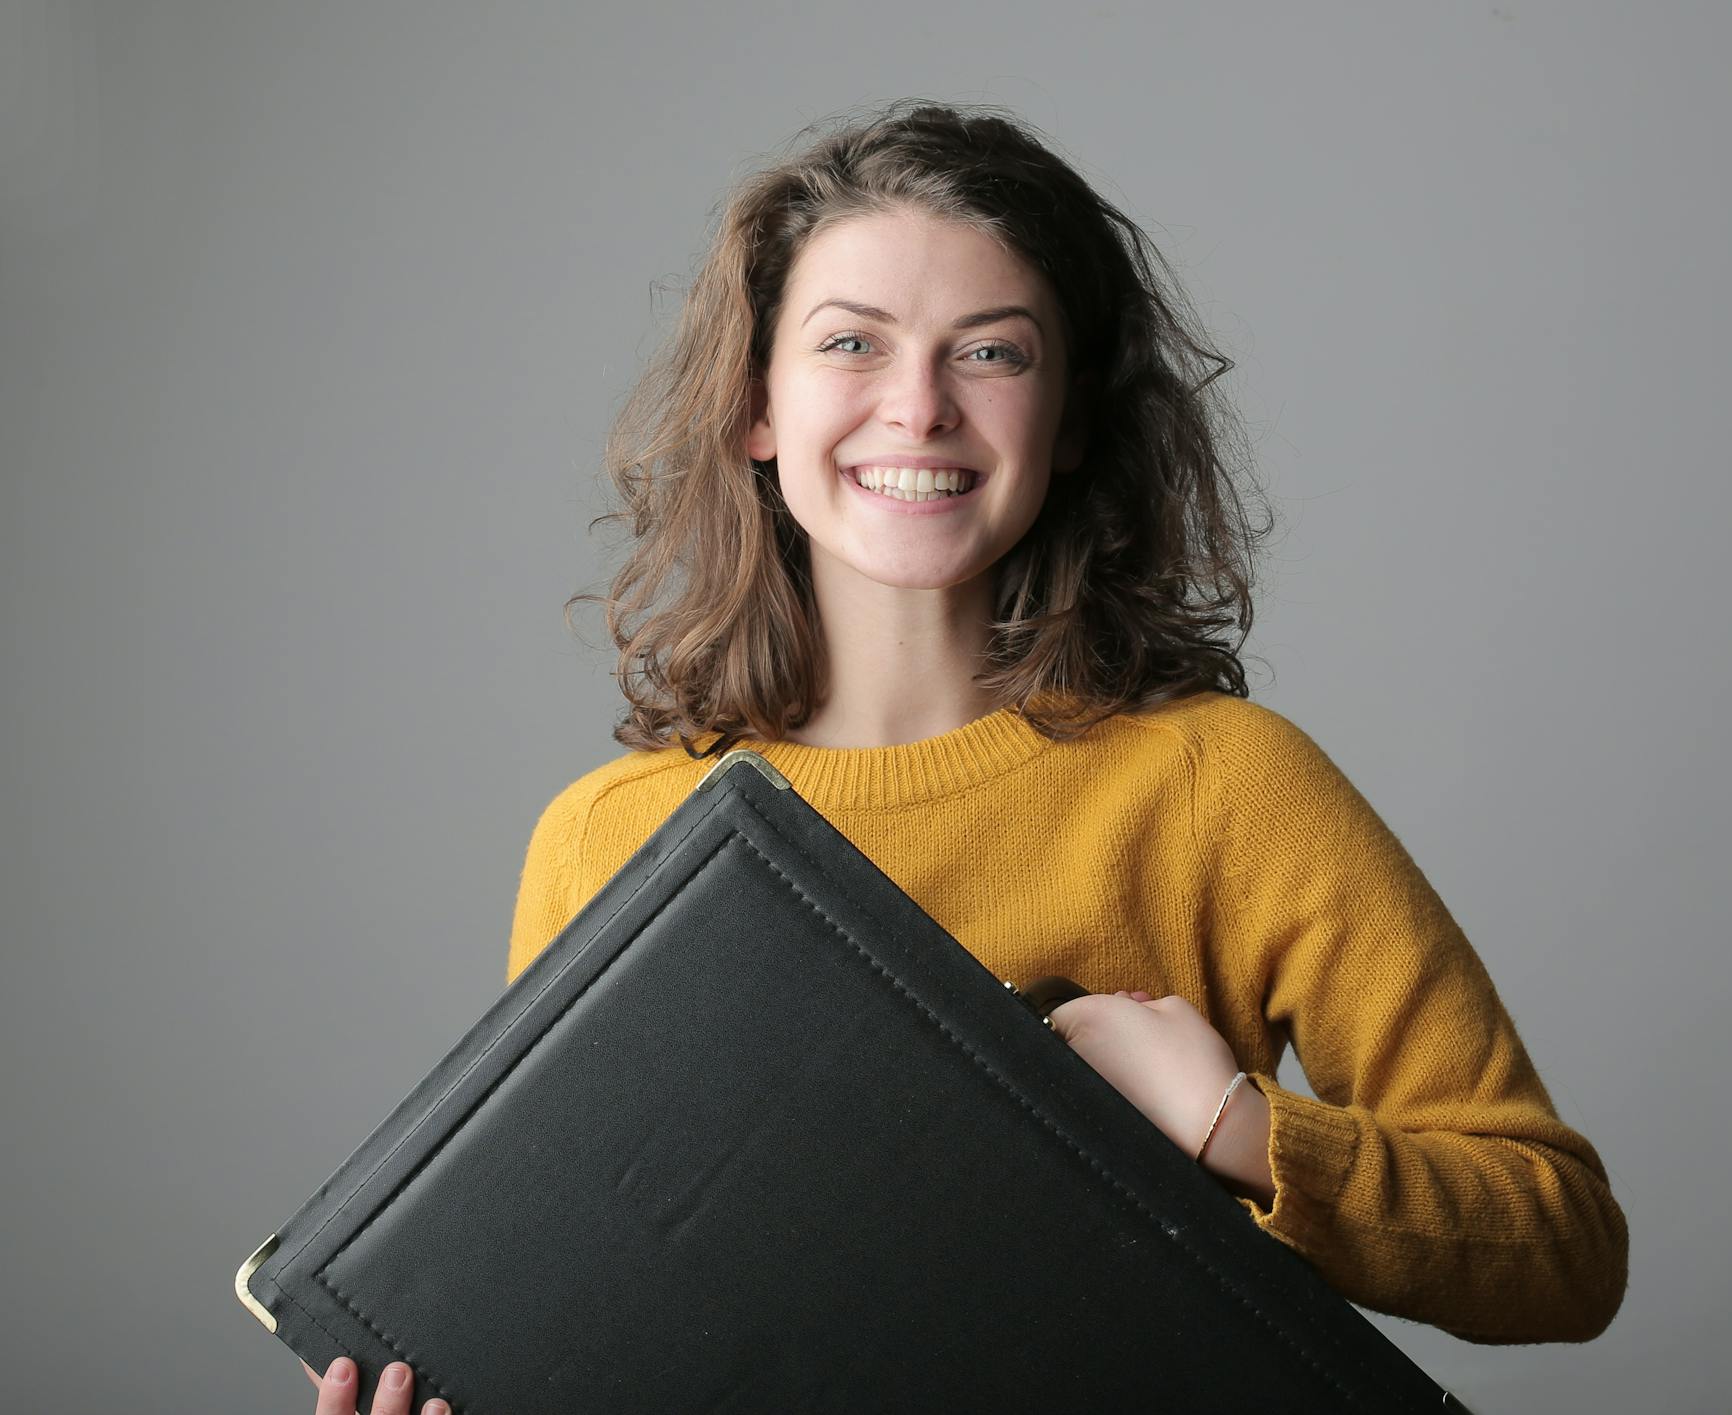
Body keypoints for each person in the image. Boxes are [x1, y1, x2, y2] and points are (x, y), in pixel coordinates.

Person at [303, 98, 1627, 1414]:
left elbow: (1563, 1249)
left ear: (1072, 423)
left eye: (990, 353)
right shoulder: (606, 838)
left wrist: (1232, 1127)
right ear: (756, 405)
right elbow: (602, 1315)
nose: (920, 407)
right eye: (851, 345)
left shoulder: (1226, 783)